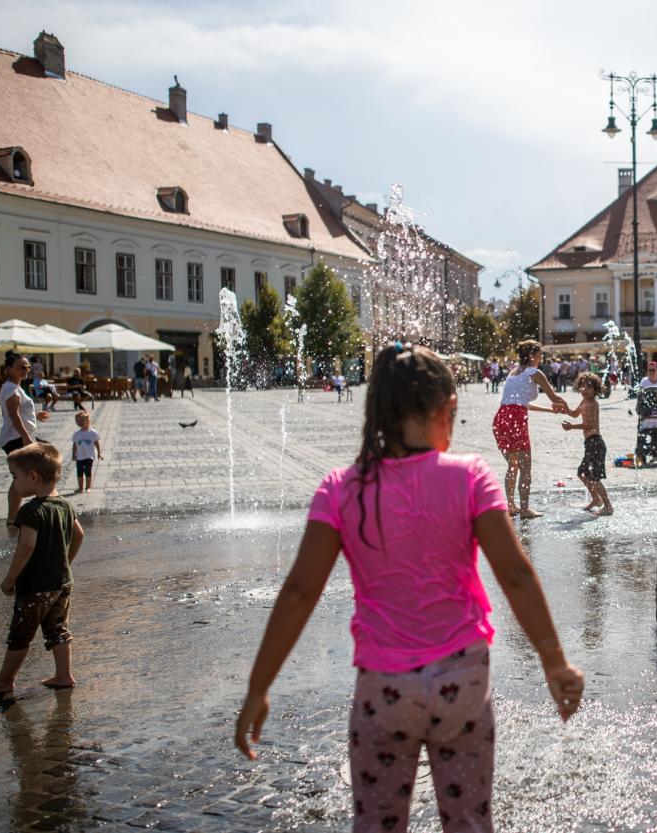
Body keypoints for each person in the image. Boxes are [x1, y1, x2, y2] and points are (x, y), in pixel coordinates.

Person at [234, 345, 583, 832]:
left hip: (385, 688)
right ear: (445, 411)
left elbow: (298, 592)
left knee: (377, 822)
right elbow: (516, 575)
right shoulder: (471, 477)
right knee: (469, 822)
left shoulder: (341, 488)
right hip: (461, 681)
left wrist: (259, 687)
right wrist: (554, 662)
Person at [0, 443, 85, 696]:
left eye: (15, 477)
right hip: (62, 583)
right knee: (57, 628)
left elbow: (26, 547)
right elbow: (79, 535)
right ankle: (63, 675)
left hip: (36, 586)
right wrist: (65, 562)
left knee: (20, 633)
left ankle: (4, 681)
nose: (14, 483)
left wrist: (9, 579)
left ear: (33, 477)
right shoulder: (65, 506)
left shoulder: (30, 510)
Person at [492, 340, 568, 519]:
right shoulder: (535, 372)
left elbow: (521, 403)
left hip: (501, 418)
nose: (541, 358)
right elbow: (554, 396)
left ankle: (511, 505)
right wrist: (571, 411)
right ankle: (525, 509)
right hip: (516, 419)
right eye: (540, 355)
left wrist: (550, 410)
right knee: (525, 467)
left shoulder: (513, 373)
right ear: (532, 355)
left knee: (513, 465)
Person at [0, 353, 51, 532]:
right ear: (9, 369)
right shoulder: (11, 388)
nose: (26, 369)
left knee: (26, 475)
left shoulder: (15, 387)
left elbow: (17, 412)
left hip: (17, 436)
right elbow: (14, 416)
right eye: (22, 366)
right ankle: (17, 518)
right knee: (36, 471)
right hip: (16, 438)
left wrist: (35, 416)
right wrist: (26, 438)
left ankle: (13, 519)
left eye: (28, 366)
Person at [561, 372, 612, 516]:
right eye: (582, 386)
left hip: (596, 443)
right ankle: (596, 499)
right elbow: (574, 414)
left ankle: (608, 506)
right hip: (589, 444)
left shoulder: (593, 404)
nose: (584, 389)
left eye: (588, 386)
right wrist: (564, 407)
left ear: (595, 389)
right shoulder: (584, 402)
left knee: (595, 478)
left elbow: (589, 425)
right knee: (582, 473)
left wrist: (571, 427)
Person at [70, 411, 103, 494]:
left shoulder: (92, 433)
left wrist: (99, 453)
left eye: (82, 420)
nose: (80, 423)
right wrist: (73, 454)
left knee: (88, 472)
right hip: (79, 457)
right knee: (79, 473)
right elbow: (75, 445)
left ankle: (88, 487)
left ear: (88, 421)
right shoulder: (76, 434)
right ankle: (80, 488)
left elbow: (97, 443)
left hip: (89, 456)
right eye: (77, 421)